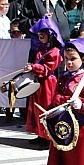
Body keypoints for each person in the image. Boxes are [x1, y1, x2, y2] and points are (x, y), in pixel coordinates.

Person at [25, 18, 63, 146]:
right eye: (39, 35)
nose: (40, 37)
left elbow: (48, 68)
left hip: (48, 83)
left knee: (46, 108)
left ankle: (48, 137)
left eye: (43, 35)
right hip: (39, 82)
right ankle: (40, 134)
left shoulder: (55, 51)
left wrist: (34, 67)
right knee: (36, 109)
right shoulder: (41, 48)